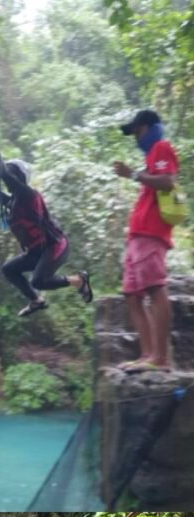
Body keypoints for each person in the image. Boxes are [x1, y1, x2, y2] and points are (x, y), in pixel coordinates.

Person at [0, 144, 92, 316]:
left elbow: (3, 174)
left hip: (55, 245)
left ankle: (79, 280)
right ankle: (36, 300)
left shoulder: (29, 194)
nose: (8, 177)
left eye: (12, 174)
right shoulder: (12, 202)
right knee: (8, 269)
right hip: (36, 252)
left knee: (39, 281)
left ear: (19, 177)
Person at [113, 110, 180, 371]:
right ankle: (148, 355)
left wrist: (133, 175)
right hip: (138, 234)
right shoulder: (151, 157)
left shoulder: (162, 148)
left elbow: (168, 182)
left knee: (154, 287)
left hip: (152, 233)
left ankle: (160, 358)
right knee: (132, 295)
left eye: (138, 132)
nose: (136, 138)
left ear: (151, 128)